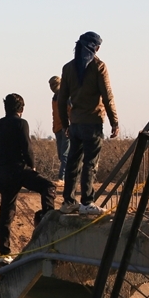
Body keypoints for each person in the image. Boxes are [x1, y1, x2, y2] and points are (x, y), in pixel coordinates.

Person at [0, 94, 56, 265]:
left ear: (5, 108)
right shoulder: (21, 123)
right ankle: (46, 221)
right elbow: (27, 148)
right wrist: (32, 167)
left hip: (4, 173)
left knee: (6, 213)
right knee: (48, 187)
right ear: (21, 109)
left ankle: (4, 253)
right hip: (19, 170)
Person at [57, 31, 119, 215]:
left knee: (73, 163)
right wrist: (114, 122)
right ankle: (87, 202)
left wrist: (65, 124)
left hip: (75, 123)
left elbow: (62, 100)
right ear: (96, 48)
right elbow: (107, 96)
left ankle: (68, 201)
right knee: (90, 163)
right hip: (92, 123)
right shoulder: (99, 67)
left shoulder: (68, 68)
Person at [49, 75, 70, 181]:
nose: (52, 87)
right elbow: (54, 114)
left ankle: (62, 177)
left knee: (65, 154)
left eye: (54, 85)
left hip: (66, 128)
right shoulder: (54, 98)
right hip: (58, 128)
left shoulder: (67, 96)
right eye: (50, 85)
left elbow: (70, 111)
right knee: (61, 155)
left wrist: (68, 126)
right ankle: (65, 176)